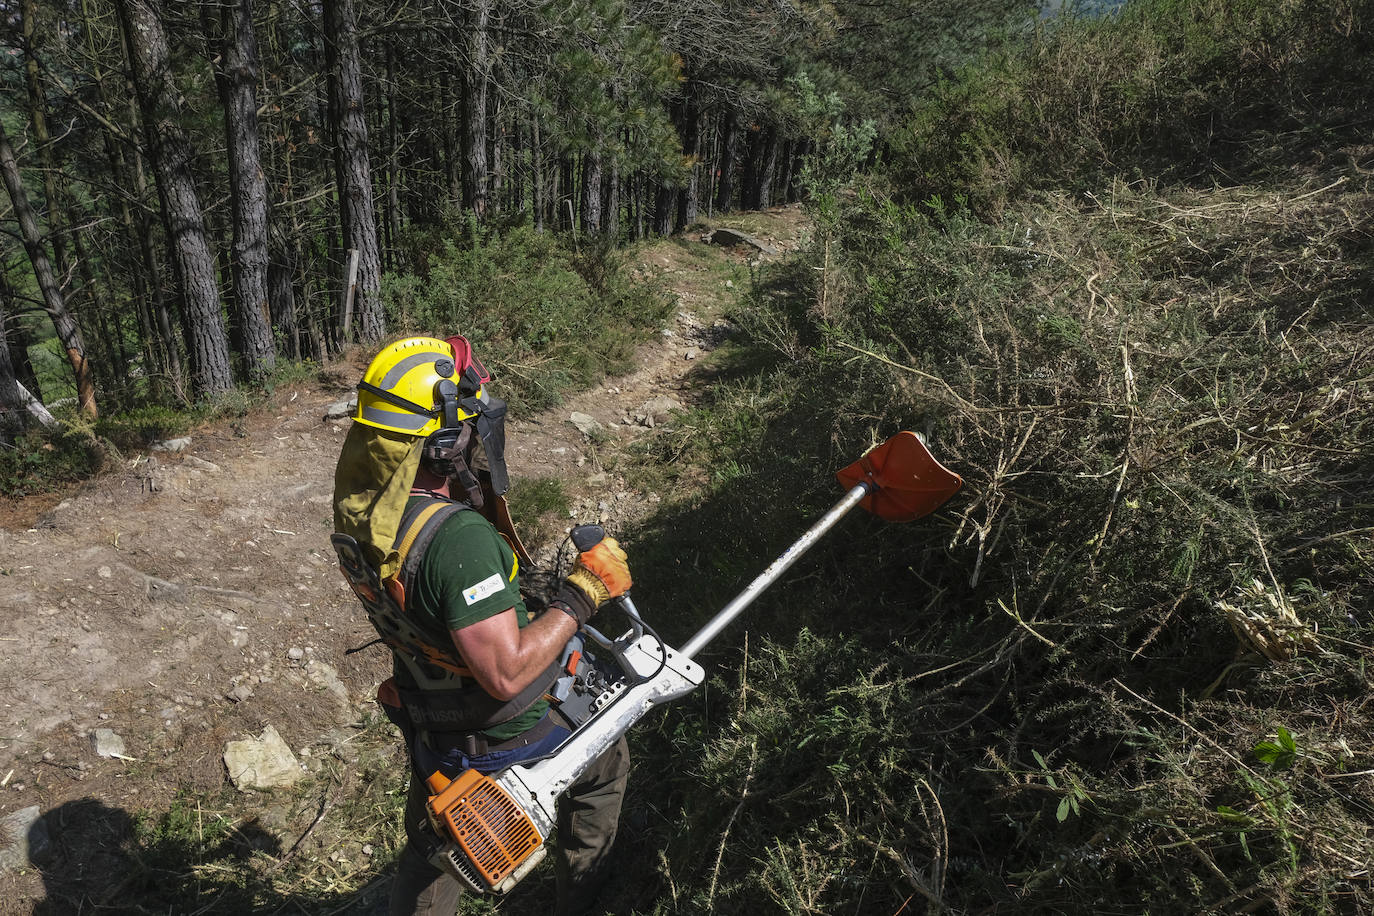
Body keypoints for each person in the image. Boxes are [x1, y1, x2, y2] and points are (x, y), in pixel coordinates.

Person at [332, 336, 632, 916]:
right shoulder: (460, 541)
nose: (480, 432)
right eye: (472, 422)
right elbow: (506, 671)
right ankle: (583, 899)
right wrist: (579, 596)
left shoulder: (373, 512)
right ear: (446, 441)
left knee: (429, 853)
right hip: (504, 732)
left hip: (435, 726)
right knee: (603, 770)